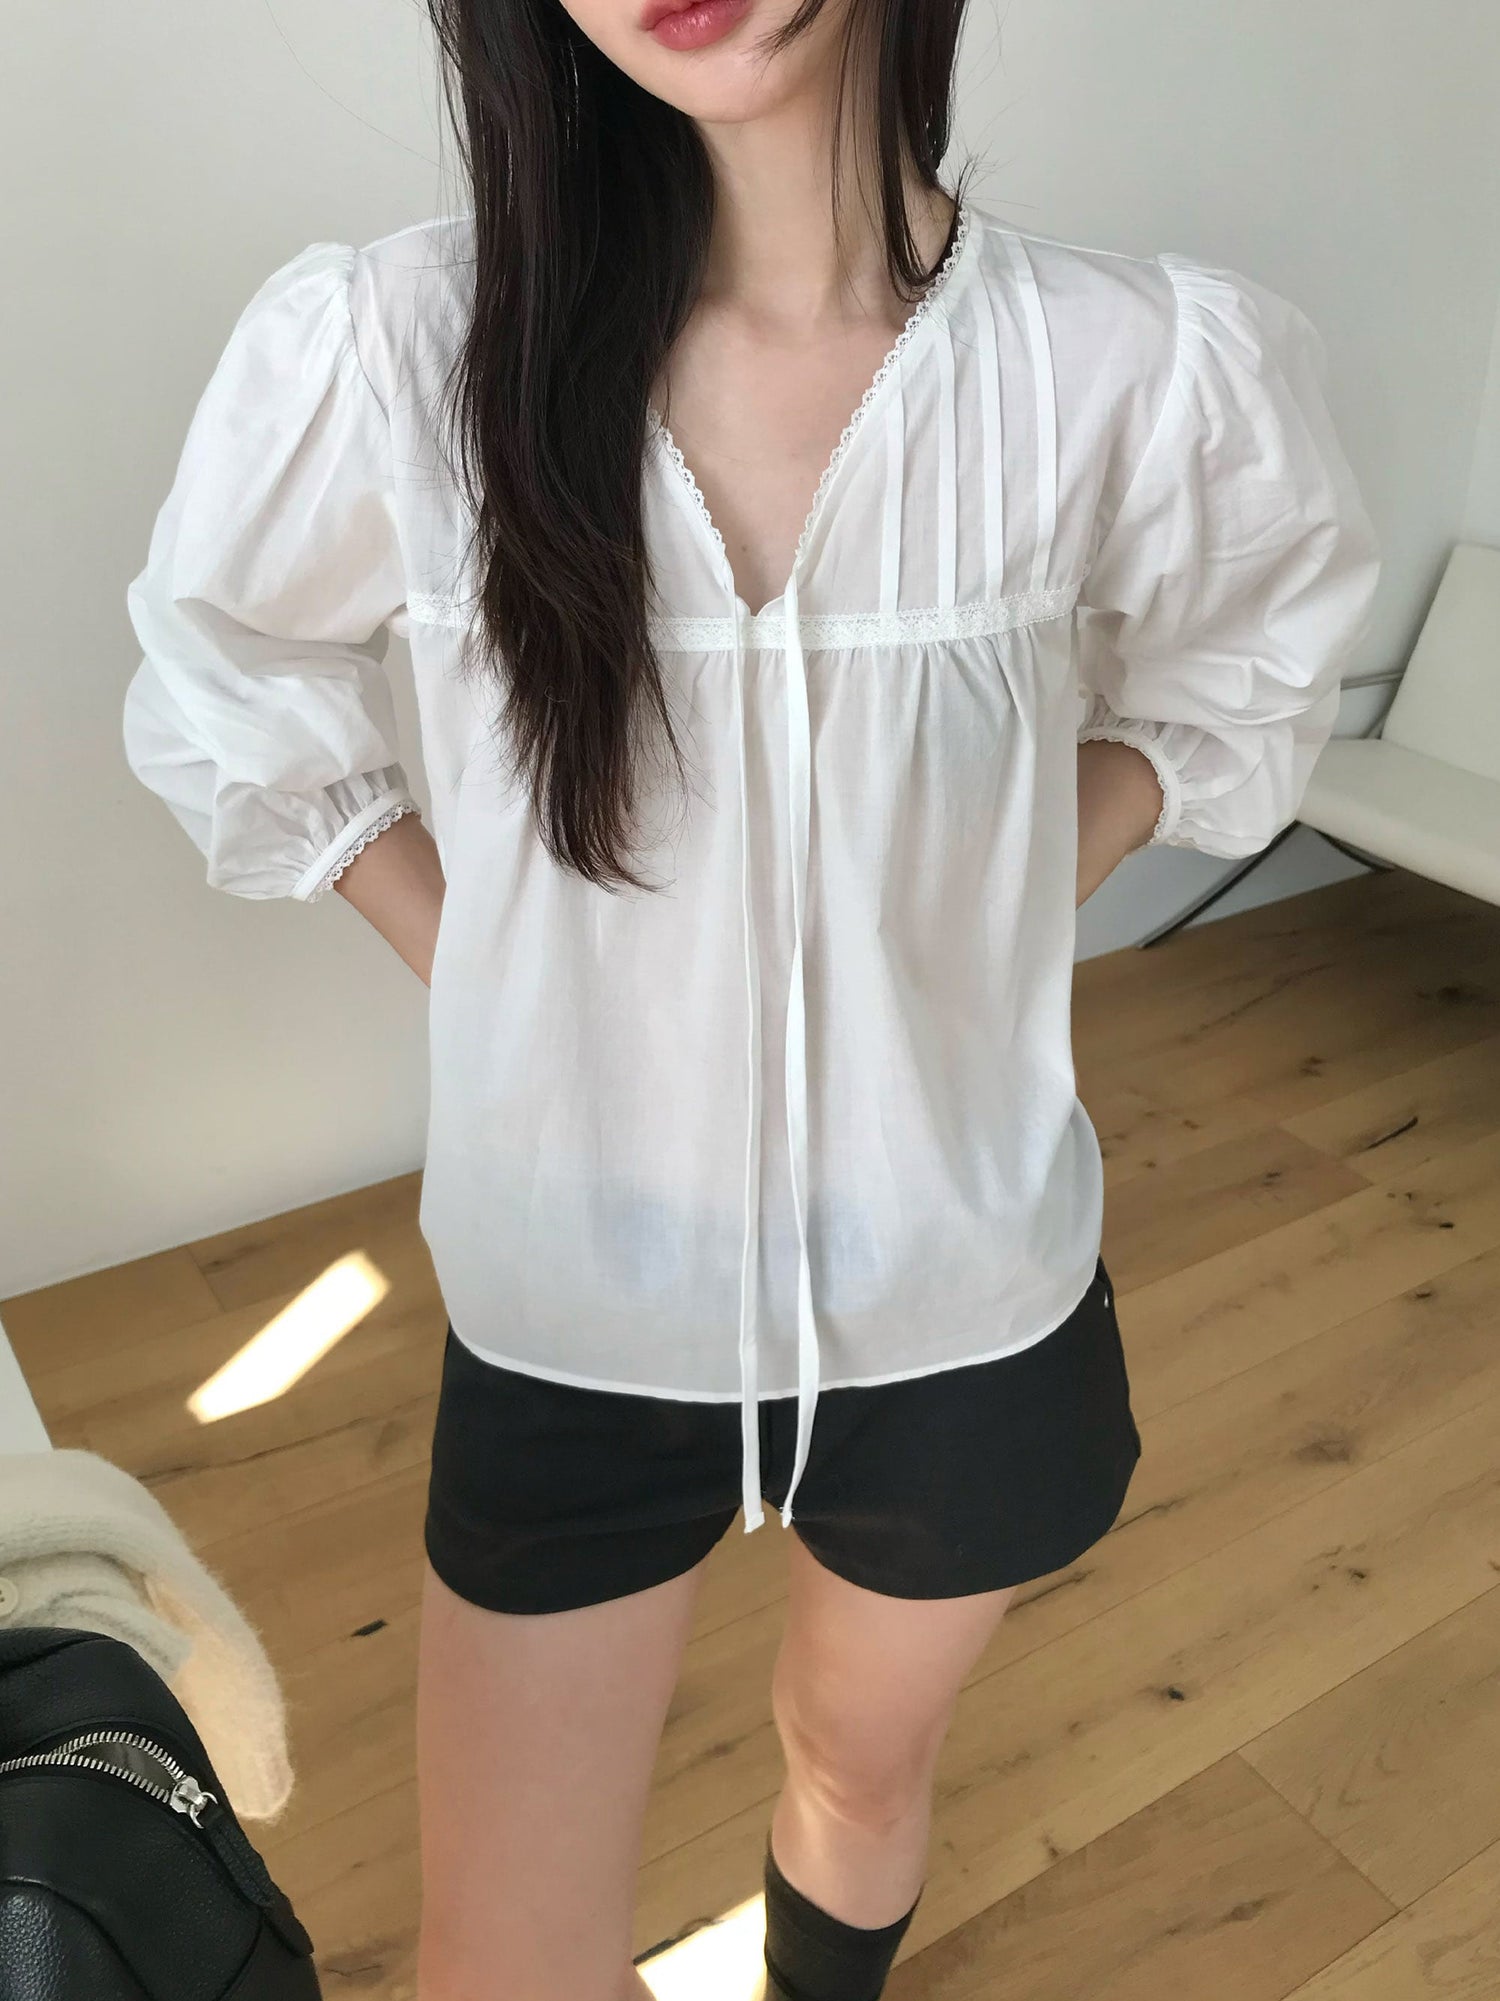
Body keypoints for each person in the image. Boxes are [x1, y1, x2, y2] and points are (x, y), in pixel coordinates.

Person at [120, 0, 1382, 1991]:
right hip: (579, 1291)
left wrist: (990, 898)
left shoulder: (1133, 364)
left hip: (957, 1288)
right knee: (502, 1960)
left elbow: (1244, 671)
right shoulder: (405, 349)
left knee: (857, 1770)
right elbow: (228, 686)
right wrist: (496, 977)